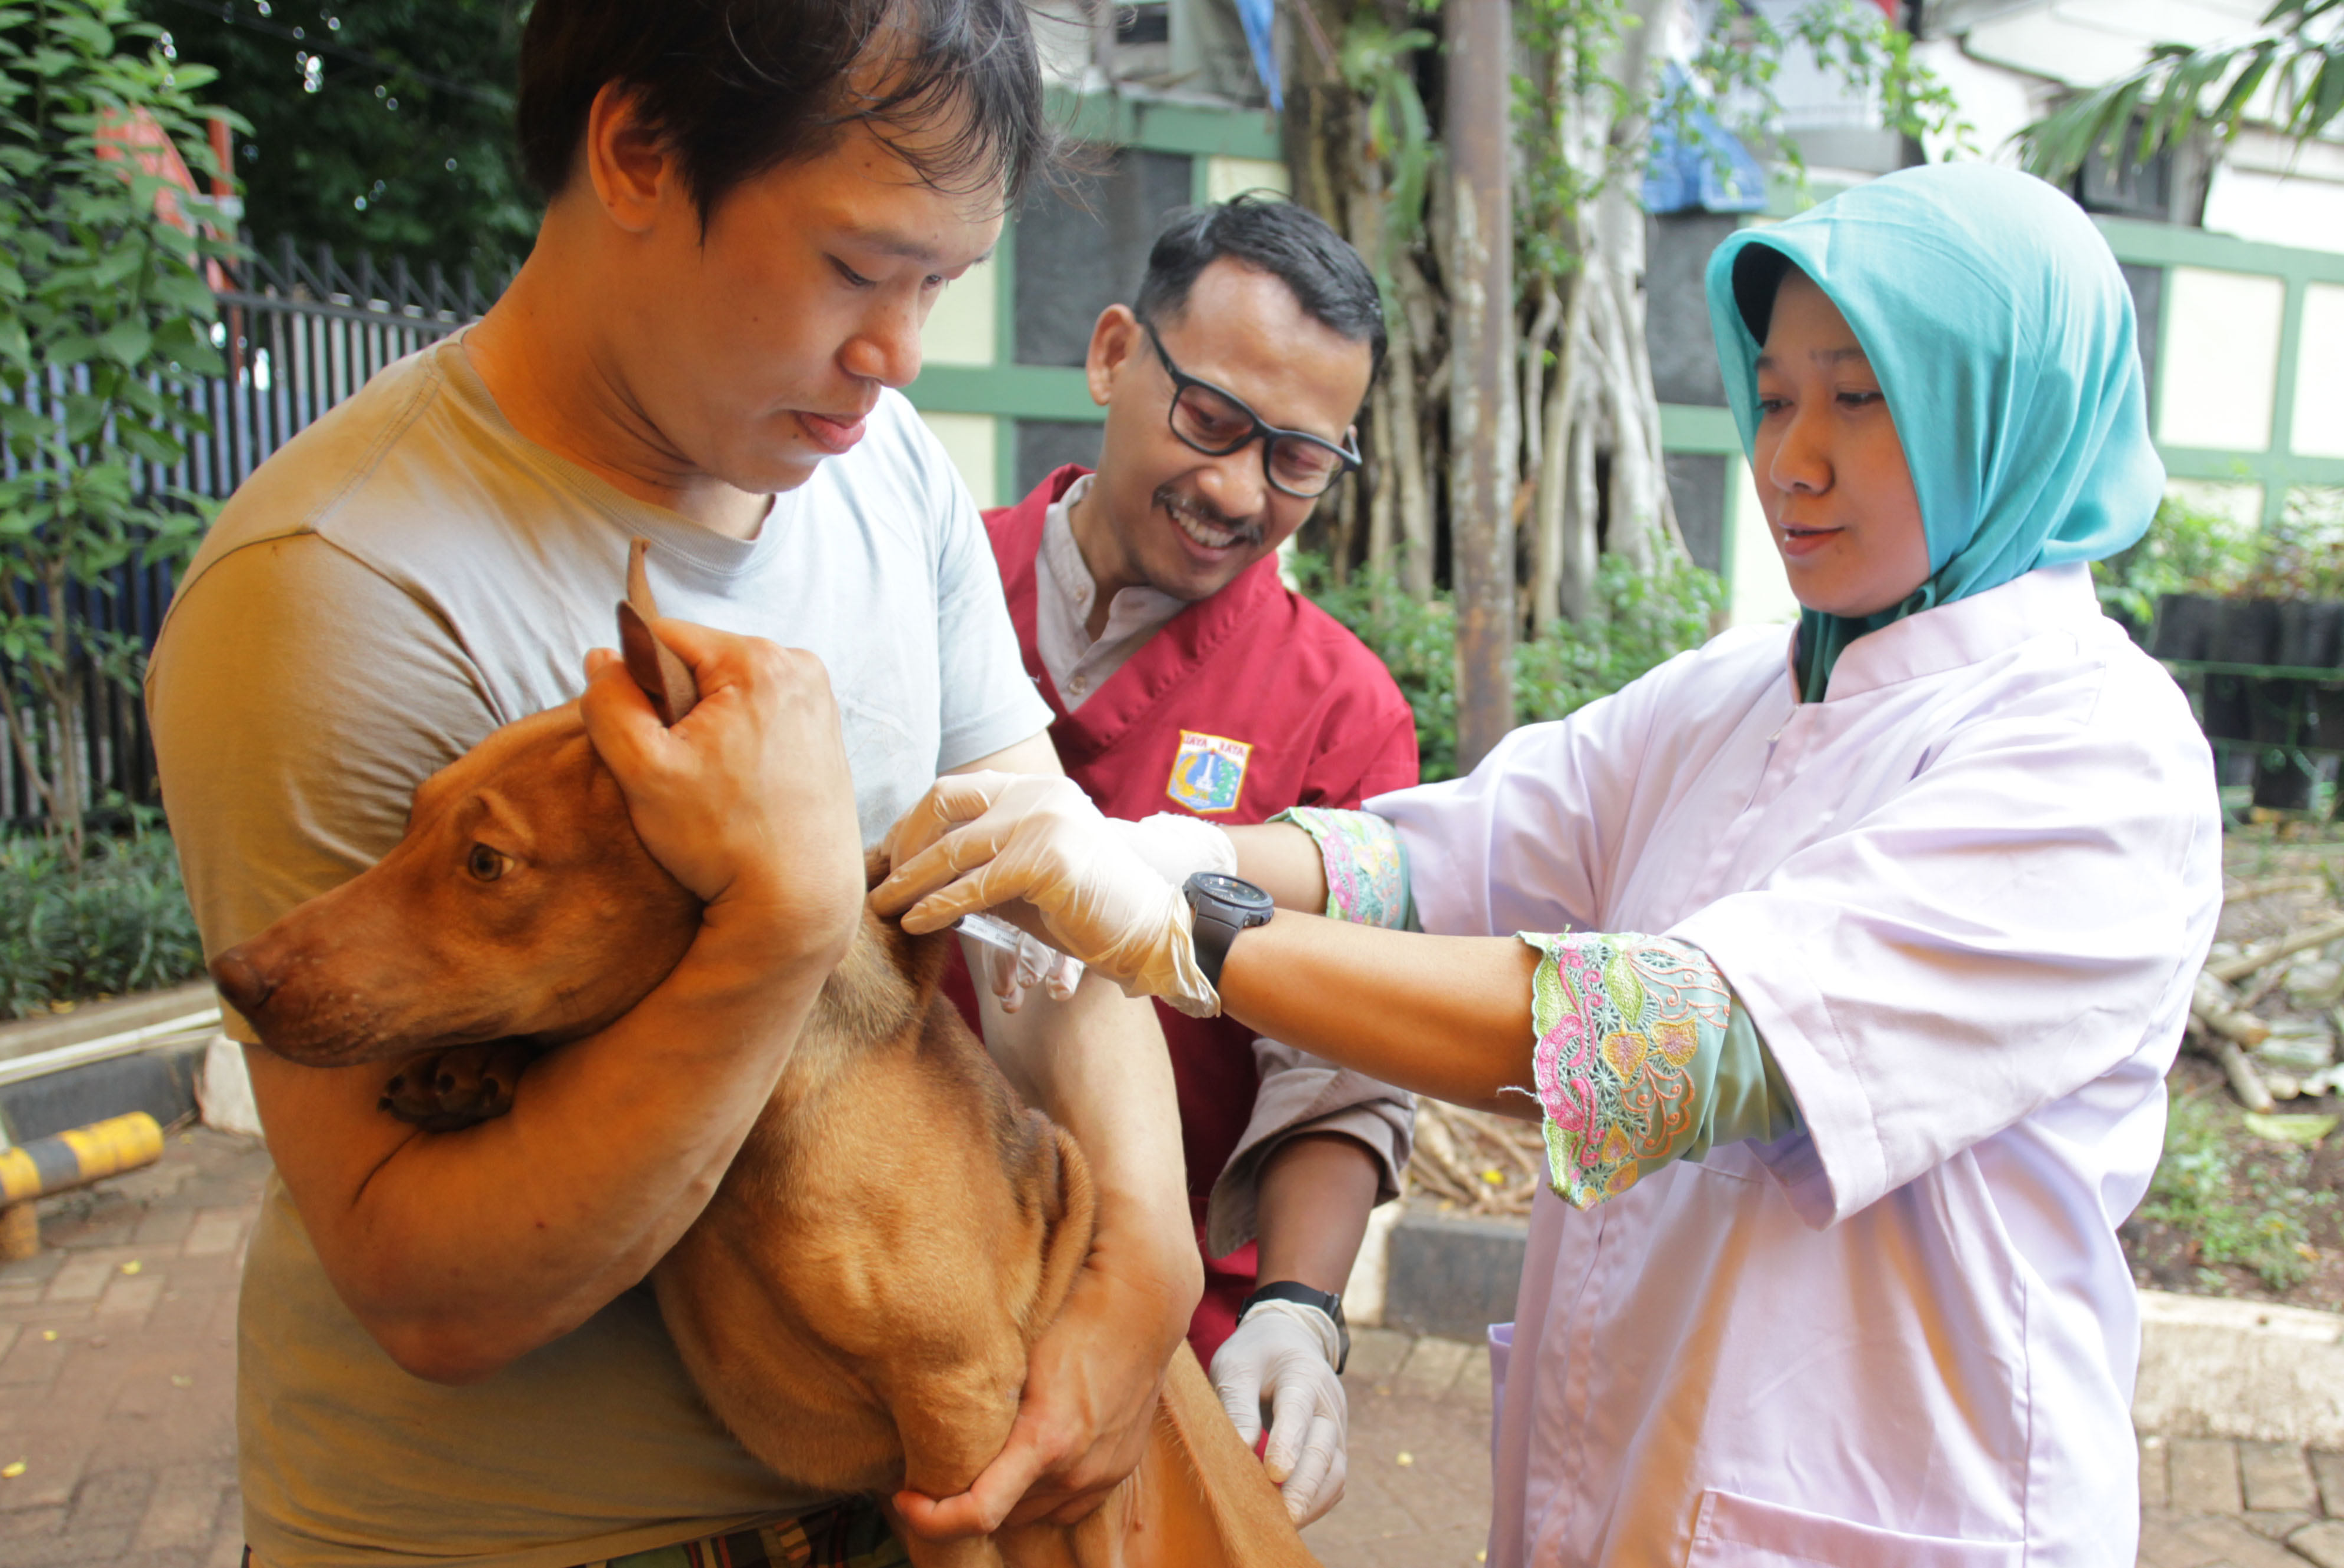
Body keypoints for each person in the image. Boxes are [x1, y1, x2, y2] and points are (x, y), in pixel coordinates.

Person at [873, 161, 2222, 1567]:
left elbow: (1664, 1049)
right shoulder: (1734, 698)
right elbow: (1424, 859)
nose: (1788, 460)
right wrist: (1179, 846)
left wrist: (1184, 932)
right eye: (1770, 397)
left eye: (1859, 399)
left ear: (2000, 411)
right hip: (1640, 1479)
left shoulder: (2094, 758)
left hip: (1887, 1501)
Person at [147, 3, 1202, 1564]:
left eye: (938, 285)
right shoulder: (340, 587)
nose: (896, 354)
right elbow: (427, 1282)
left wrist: (1148, 1262)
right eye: (857, 268)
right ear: (637, 151)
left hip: (888, 1498)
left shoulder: (886, 469)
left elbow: (1041, 888)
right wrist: (778, 925)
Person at [956, 195, 1420, 1527]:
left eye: (1295, 462)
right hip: (860, 1278)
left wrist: (1293, 1312)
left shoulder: (1338, 711)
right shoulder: (936, 592)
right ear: (1112, 355)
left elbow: (1341, 1064)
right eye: (1209, 422)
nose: (1232, 491)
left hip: (1154, 1361)